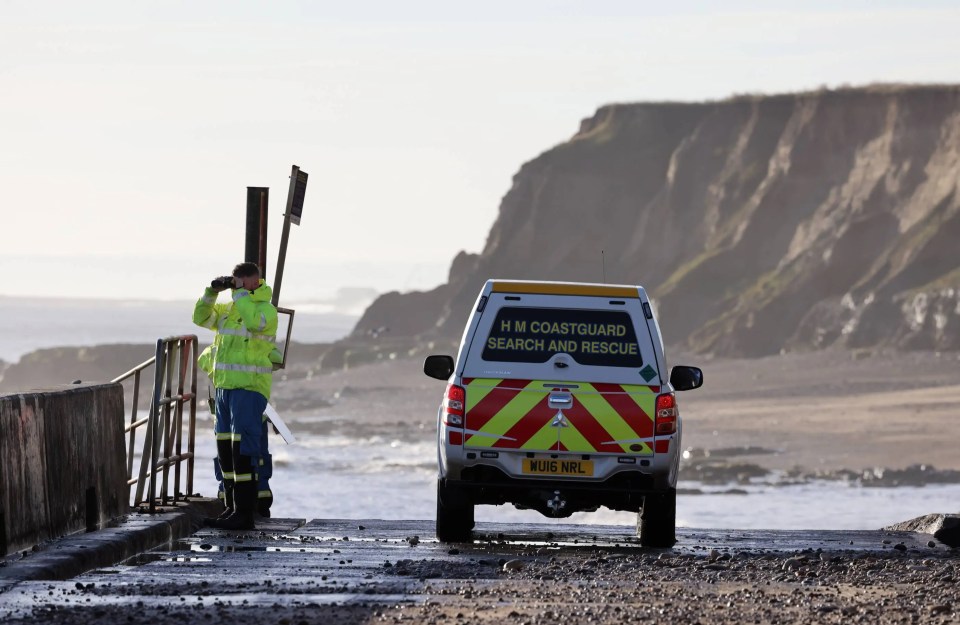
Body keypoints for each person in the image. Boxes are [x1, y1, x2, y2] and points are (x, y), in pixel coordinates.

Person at [193, 262, 280, 530]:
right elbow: (200, 318)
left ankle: (244, 513)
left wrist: (240, 296)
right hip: (225, 388)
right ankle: (231, 509)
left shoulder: (266, 310)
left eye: (244, 282)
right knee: (226, 451)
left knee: (243, 451)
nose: (239, 286)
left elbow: (255, 323)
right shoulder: (229, 309)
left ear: (256, 282)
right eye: (236, 281)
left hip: (249, 389)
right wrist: (212, 292)